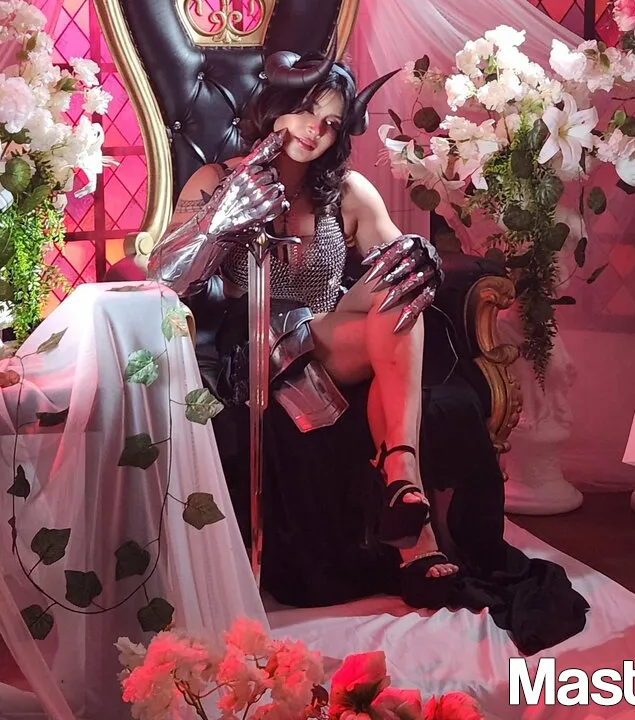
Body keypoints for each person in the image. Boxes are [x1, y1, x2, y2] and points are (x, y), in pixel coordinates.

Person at [147, 49, 459, 593]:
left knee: (402, 282)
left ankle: (402, 480)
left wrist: (422, 257)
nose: (316, 129)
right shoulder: (217, 178)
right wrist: (222, 217)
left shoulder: (348, 191)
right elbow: (163, 277)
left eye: (332, 123)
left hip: (329, 327)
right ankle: (414, 526)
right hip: (258, 339)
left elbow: (396, 264)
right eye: (308, 110)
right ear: (275, 106)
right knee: (391, 317)